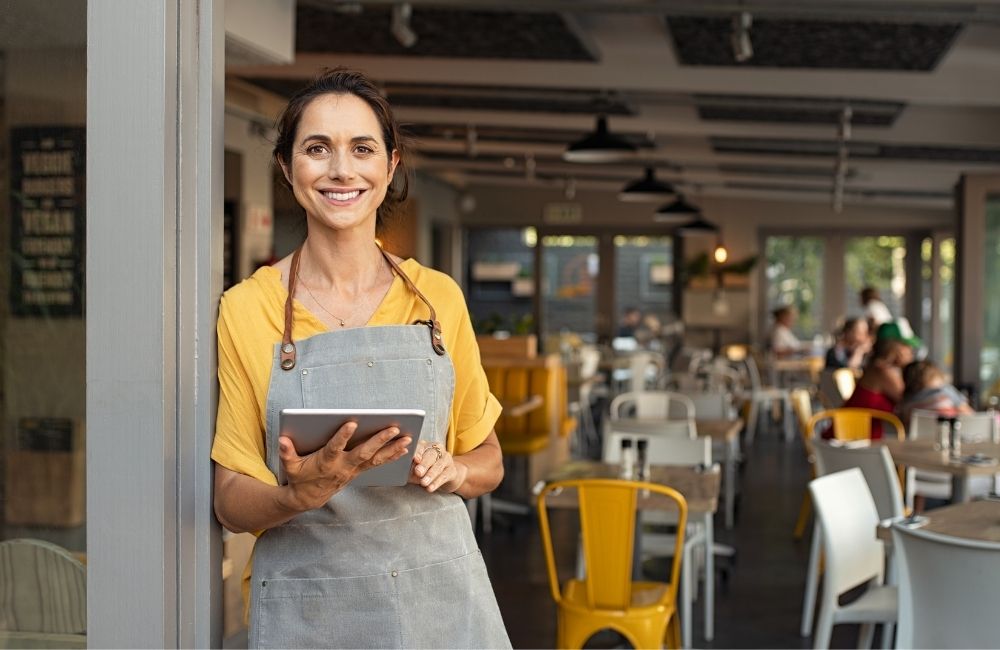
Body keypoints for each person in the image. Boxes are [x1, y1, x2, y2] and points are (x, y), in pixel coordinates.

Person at [211, 68, 510, 649]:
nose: (341, 170)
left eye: (362, 149)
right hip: (312, 608)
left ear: (390, 165)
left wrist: (457, 470)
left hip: (437, 600)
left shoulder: (437, 298)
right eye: (317, 148)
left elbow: (489, 458)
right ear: (286, 166)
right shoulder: (248, 309)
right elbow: (229, 500)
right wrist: (297, 494)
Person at [841, 337, 914, 439]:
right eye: (908, 351)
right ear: (897, 351)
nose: (911, 355)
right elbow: (909, 399)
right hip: (852, 437)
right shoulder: (882, 371)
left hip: (858, 435)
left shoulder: (877, 368)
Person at [897, 359, 973, 426]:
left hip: (918, 440)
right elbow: (969, 415)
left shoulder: (906, 401)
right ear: (934, 377)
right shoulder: (945, 391)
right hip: (947, 436)